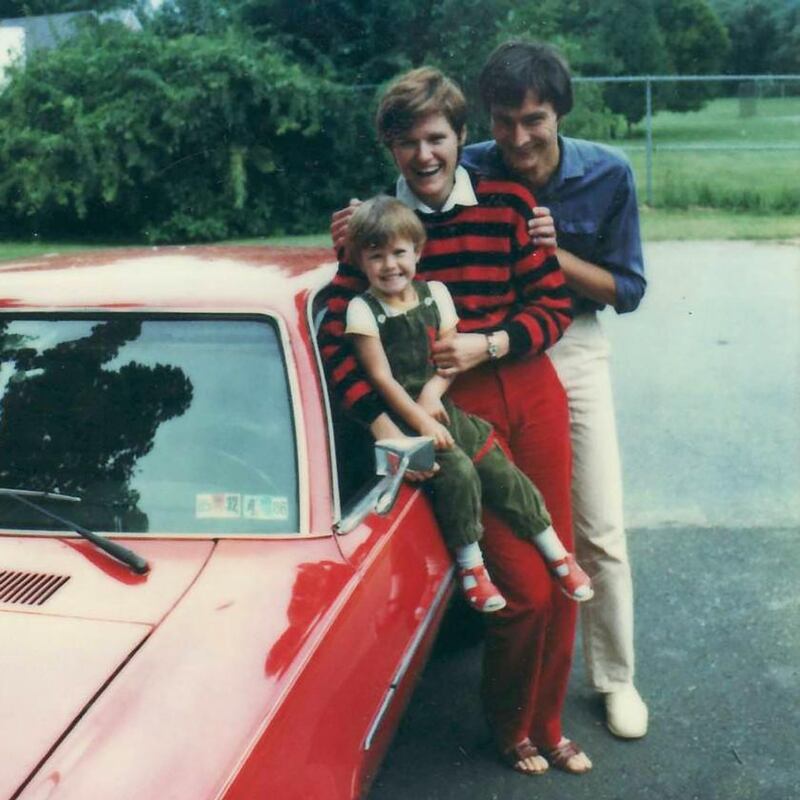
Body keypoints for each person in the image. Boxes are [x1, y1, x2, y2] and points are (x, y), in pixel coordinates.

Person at [320, 66, 592, 775]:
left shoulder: (507, 203)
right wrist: (382, 424)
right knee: (523, 588)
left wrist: (489, 342)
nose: (424, 155)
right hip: (450, 411)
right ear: (390, 148)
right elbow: (339, 341)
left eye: (437, 137)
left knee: (561, 561)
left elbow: (552, 306)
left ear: (461, 137)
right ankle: (511, 725)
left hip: (529, 390)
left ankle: (549, 723)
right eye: (407, 142)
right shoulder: (377, 228)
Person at [461, 40, 649, 739]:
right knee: (495, 518)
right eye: (504, 120)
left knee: (598, 527)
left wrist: (554, 255)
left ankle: (616, 680)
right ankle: (508, 675)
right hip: (486, 349)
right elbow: (403, 231)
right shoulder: (466, 165)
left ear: (560, 113)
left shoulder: (607, 172)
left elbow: (626, 289)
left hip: (570, 341)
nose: (518, 138)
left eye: (534, 119)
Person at [345, 194, 593, 613]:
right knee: (458, 472)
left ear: (417, 252)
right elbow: (382, 378)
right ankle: (471, 567)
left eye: (399, 253)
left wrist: (432, 394)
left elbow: (450, 356)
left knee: (498, 466)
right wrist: (421, 420)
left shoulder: (435, 294)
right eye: (376, 256)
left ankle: (557, 553)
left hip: (438, 404)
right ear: (360, 261)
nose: (390, 265)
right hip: (404, 418)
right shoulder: (362, 309)